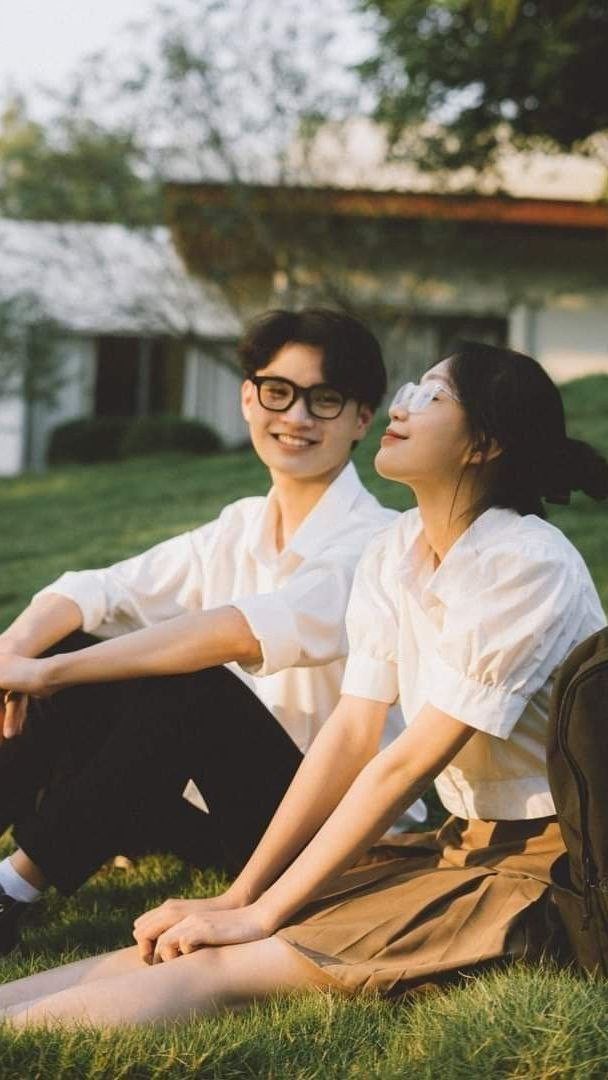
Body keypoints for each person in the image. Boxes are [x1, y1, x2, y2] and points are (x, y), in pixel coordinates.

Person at [1, 340, 606, 1029]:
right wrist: (240, 897)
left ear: (484, 444)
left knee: (228, 963)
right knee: (187, 945)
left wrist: (261, 913)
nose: (405, 404)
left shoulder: (527, 564)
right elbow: (352, 733)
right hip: (462, 841)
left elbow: (407, 760)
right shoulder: (396, 550)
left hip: (547, 869)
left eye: (434, 395)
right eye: (412, 386)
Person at [0, 307, 424, 955]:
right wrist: (15, 655)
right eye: (278, 392)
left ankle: (11, 890)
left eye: (326, 400)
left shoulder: (376, 543)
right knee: (64, 642)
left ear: (362, 419)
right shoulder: (239, 526)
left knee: (188, 680)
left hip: (324, 832)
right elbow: (96, 589)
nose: (297, 417)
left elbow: (239, 635)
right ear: (248, 397)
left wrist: (48, 673)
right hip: (219, 812)